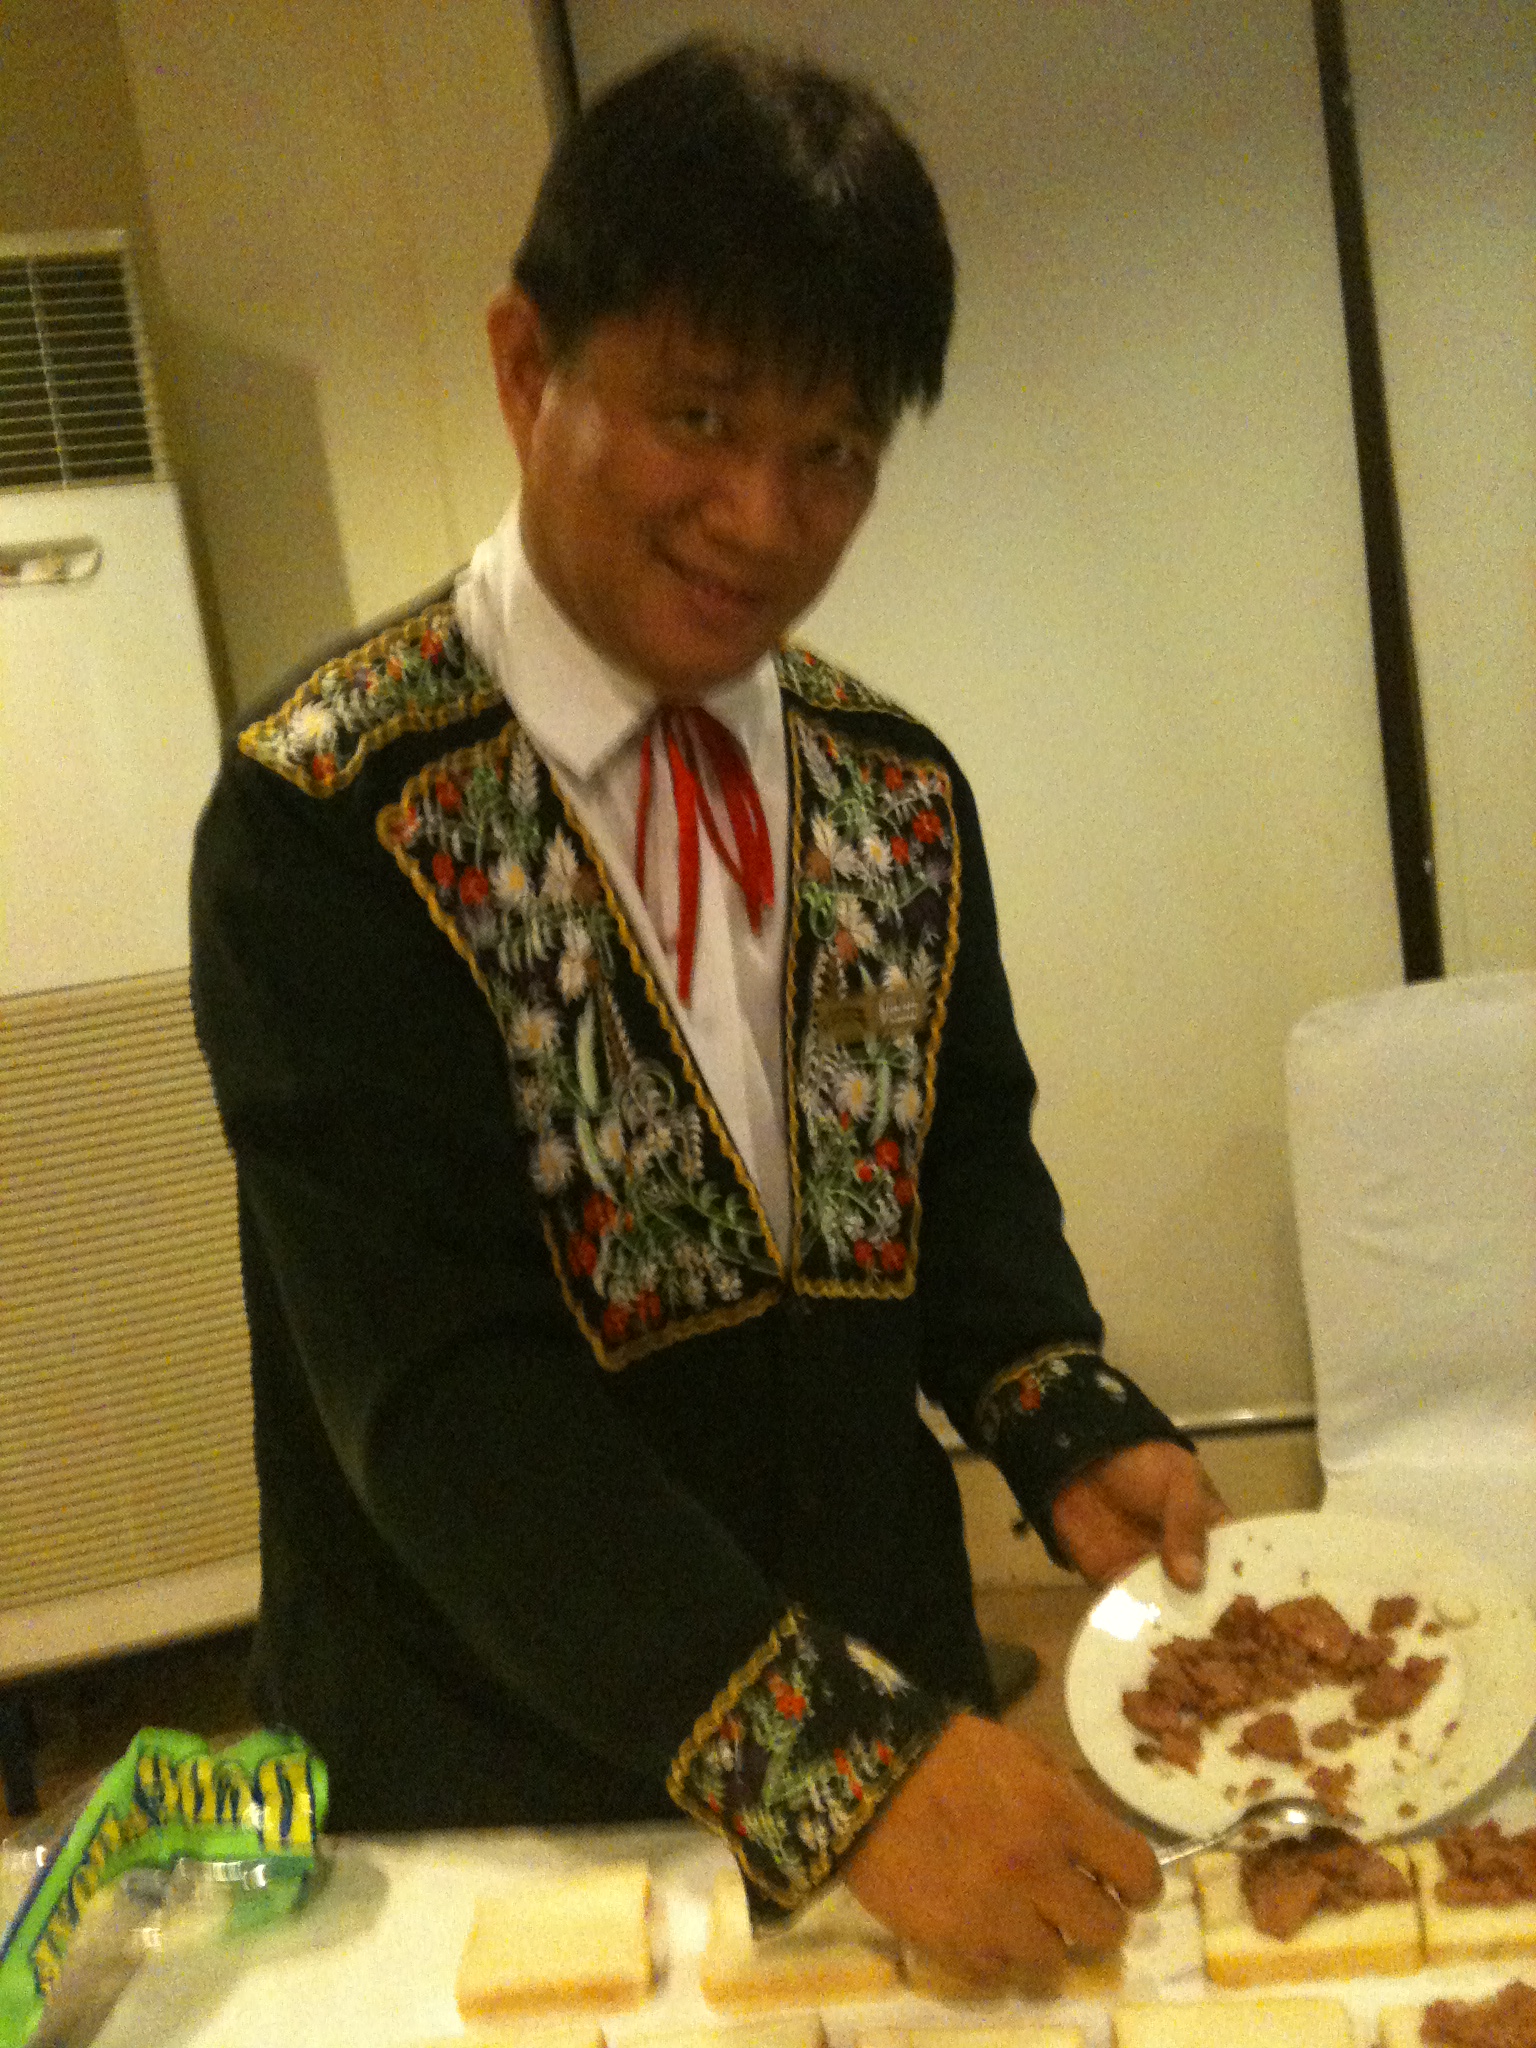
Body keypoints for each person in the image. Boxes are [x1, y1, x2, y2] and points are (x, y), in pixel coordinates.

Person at [191, 35, 1227, 1982]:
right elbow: (442, 1399)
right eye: (698, 415)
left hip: (898, 1734)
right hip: (495, 1798)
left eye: (833, 451)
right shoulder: (330, 814)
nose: (762, 515)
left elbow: (958, 1177)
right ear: (529, 368)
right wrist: (835, 1771)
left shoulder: (892, 786)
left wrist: (1058, 1412)